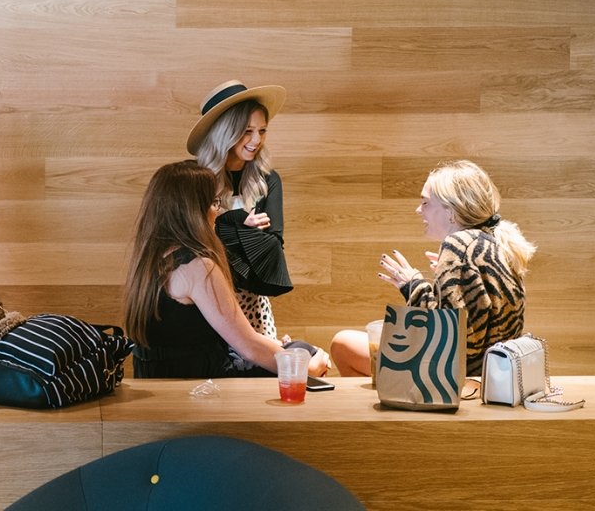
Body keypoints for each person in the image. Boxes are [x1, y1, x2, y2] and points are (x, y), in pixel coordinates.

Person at [125, 160, 330, 379]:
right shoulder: (197, 266)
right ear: (193, 210)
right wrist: (306, 368)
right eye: (214, 202)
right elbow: (249, 346)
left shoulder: (150, 261)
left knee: (290, 350)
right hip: (200, 390)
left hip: (164, 380)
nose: (219, 210)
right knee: (306, 352)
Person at [330, 160, 535, 378]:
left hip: (457, 378)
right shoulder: (492, 242)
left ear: (451, 210)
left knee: (343, 343)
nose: (418, 210)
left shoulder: (458, 245)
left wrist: (414, 286)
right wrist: (444, 281)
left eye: (426, 203)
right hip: (493, 375)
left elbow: (452, 339)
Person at [186, 80, 293, 371]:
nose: (256, 140)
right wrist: (237, 223)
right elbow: (188, 243)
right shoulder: (194, 180)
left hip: (252, 304)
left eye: (262, 131)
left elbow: (272, 250)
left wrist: (220, 228)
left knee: (260, 383)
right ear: (225, 132)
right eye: (247, 131)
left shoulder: (269, 180)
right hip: (204, 298)